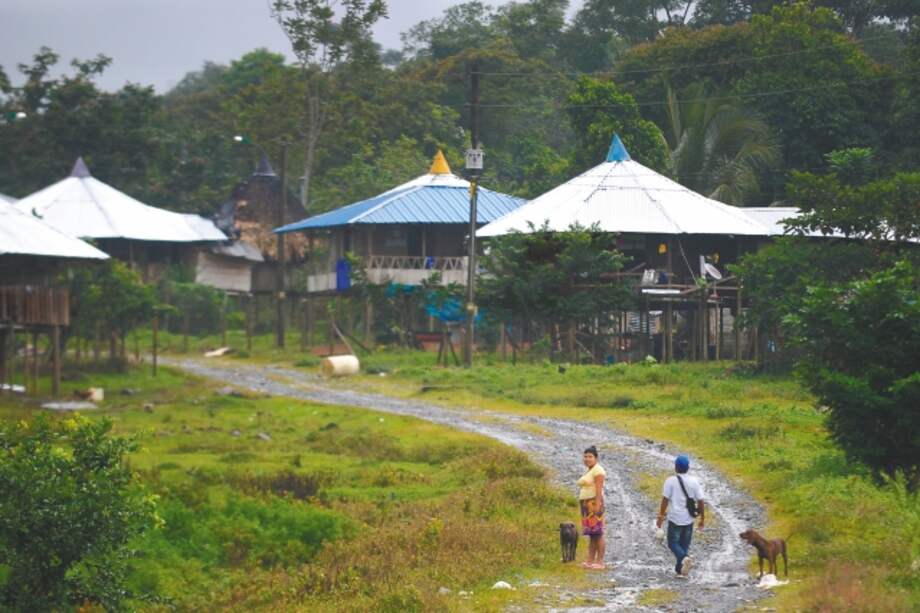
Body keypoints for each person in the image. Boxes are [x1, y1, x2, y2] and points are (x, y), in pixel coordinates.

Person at [656, 454, 705, 577]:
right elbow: (700, 501)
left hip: (675, 518)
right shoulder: (694, 482)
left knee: (672, 543)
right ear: (688, 468)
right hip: (689, 519)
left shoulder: (670, 481)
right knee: (684, 544)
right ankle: (680, 570)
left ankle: (684, 558)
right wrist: (702, 518)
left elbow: (665, 500)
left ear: (675, 467)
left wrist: (661, 516)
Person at [577, 445, 606, 569]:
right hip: (586, 504)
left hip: (594, 503)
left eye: (590, 457)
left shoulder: (598, 471)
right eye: (585, 456)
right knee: (591, 533)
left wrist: (598, 505)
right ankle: (590, 560)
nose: (587, 459)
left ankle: (600, 562)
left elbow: (599, 489)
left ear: (596, 458)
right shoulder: (589, 470)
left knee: (598, 533)